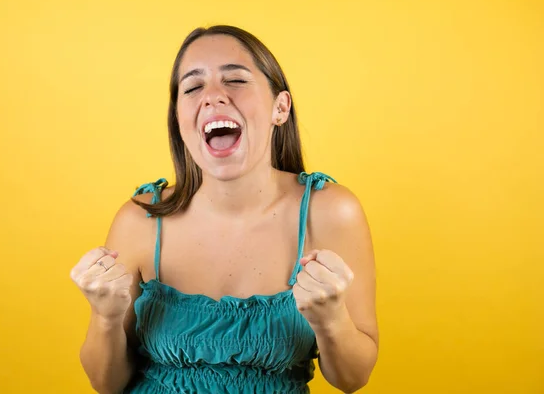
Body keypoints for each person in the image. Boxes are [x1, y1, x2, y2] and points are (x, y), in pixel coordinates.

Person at [70, 25, 378, 394]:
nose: (213, 97)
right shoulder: (140, 220)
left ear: (280, 108)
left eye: (234, 80)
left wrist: (331, 319)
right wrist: (105, 316)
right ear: (180, 119)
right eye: (193, 87)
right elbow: (106, 384)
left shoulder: (329, 213)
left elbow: (352, 378)